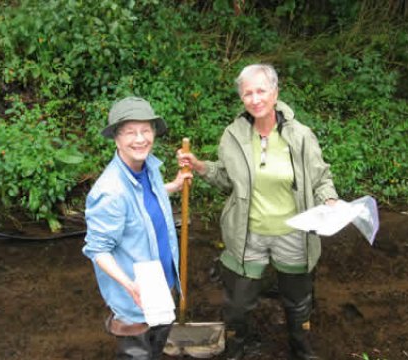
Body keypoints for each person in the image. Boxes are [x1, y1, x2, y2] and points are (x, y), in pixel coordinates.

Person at [177, 64, 338, 360]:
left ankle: (301, 350)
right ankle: (236, 350)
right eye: (247, 93)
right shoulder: (233, 135)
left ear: (275, 93)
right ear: (241, 97)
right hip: (247, 233)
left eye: (261, 90)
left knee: (297, 301)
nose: (255, 98)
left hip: (294, 232)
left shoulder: (300, 136)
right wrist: (200, 166)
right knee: (237, 305)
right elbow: (228, 179)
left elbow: (321, 178)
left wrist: (329, 200)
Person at [83, 97, 191, 359]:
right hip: (135, 299)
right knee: (139, 354)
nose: (140, 139)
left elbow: (142, 200)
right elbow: (98, 250)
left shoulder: (149, 168)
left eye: (146, 130)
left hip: (163, 286)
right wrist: (130, 286)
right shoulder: (109, 192)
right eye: (130, 132)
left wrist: (173, 186)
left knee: (156, 348)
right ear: (116, 139)